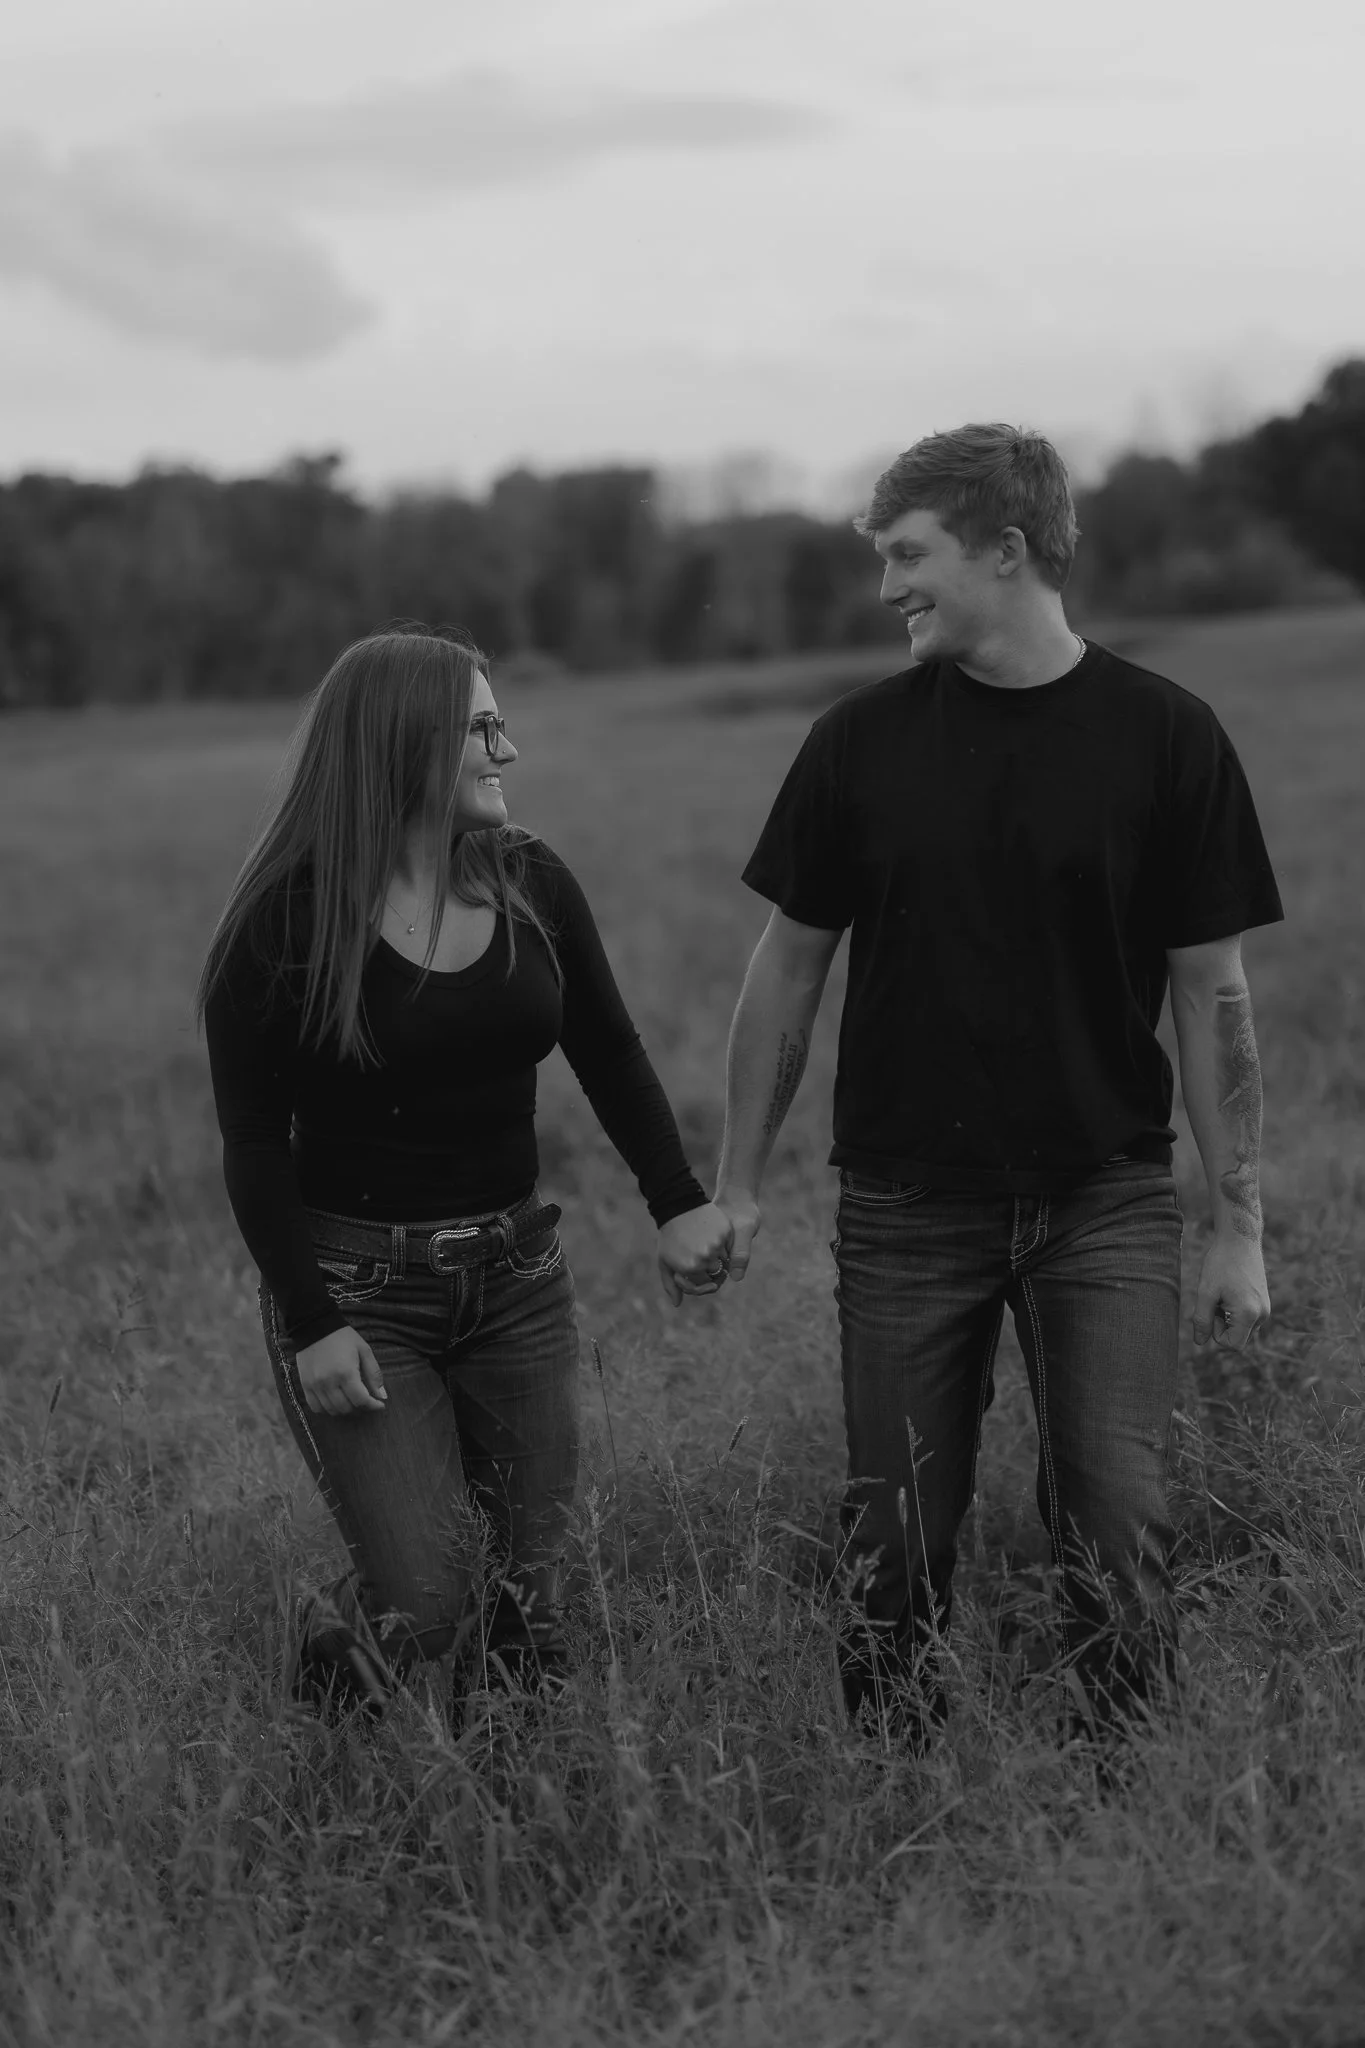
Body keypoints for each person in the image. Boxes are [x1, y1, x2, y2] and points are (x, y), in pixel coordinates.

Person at [714, 423, 1283, 1741]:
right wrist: (738, 1183)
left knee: (1116, 1525)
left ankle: (1124, 1791)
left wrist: (1239, 1225)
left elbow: (1215, 995)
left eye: (910, 555)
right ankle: (892, 1785)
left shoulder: (1168, 737)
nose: (887, 587)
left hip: (1106, 1201)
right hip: (907, 1206)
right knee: (893, 1536)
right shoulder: (857, 743)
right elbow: (786, 972)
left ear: (1008, 549)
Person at [198, 625, 732, 1715]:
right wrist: (313, 1322)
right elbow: (251, 1142)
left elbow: (610, 1050)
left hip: (517, 1279)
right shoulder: (283, 922)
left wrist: (677, 1202)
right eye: (482, 729)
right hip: (359, 1293)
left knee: (529, 1602)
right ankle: (330, 1676)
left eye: (501, 725)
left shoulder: (530, 878)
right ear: (403, 744)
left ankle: (512, 1800)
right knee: (428, 1600)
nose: (507, 751)